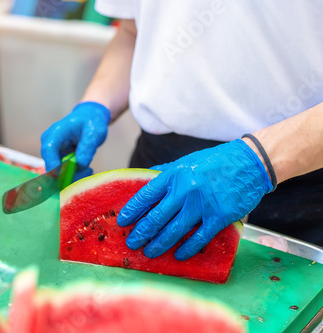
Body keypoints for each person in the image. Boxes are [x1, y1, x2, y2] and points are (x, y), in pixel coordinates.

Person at [40, 1, 323, 260]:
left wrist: (258, 162)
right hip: (158, 174)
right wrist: (97, 103)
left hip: (298, 183)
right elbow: (132, 33)